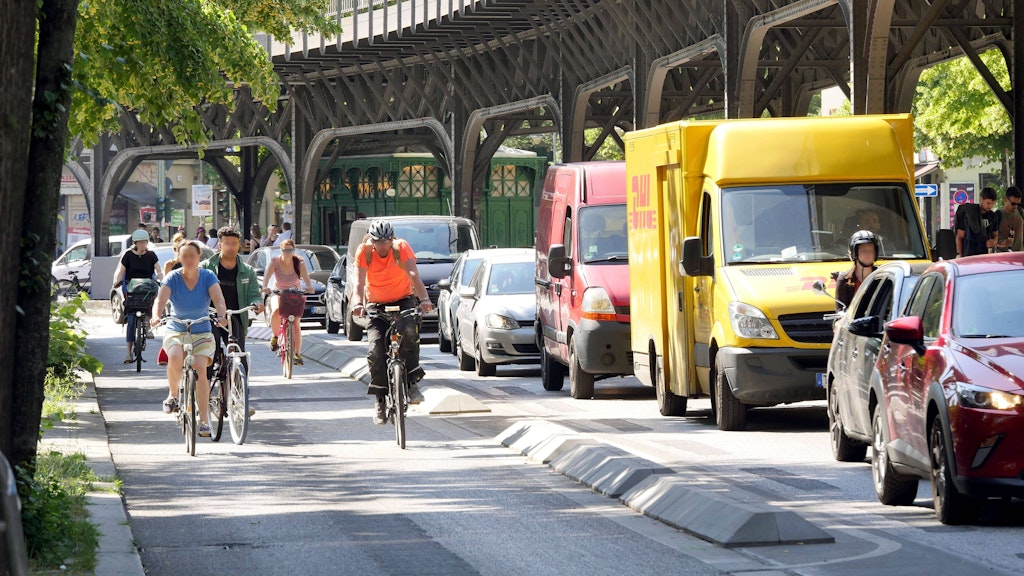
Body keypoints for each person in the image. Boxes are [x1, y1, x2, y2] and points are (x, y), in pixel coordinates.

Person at [351, 220, 434, 425]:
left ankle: (412, 383)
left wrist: (424, 300)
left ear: (392, 239)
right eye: (378, 241)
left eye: (386, 241)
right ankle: (380, 400)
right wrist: (357, 303)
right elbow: (359, 282)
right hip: (376, 303)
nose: (382, 245)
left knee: (409, 333)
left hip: (403, 299)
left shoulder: (401, 247)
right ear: (371, 240)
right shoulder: (364, 252)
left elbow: (413, 274)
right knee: (376, 349)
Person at [150, 241, 228, 437]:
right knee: (175, 356)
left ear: (199, 256)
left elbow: (218, 299)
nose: (188, 260)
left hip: (201, 330)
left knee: (201, 368)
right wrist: (156, 315)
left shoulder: (208, 276)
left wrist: (221, 315)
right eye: (184, 256)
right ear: (179, 257)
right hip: (176, 328)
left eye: (192, 256)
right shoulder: (173, 277)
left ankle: (203, 421)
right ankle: (173, 395)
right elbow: (160, 300)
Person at [200, 227, 264, 387]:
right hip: (211, 317)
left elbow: (254, 293)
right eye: (227, 243)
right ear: (219, 245)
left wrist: (257, 302)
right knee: (210, 350)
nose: (231, 247)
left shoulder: (247, 271)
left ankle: (240, 394)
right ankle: (204, 389)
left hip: (235, 317)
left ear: (239, 245)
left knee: (239, 354)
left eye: (234, 243)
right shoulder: (206, 267)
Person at [261, 239, 314, 364]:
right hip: (278, 291)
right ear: (281, 250)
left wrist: (309, 286)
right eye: (285, 250)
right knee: (276, 311)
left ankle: (297, 354)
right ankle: (275, 336)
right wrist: (265, 286)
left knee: (295, 322)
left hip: (294, 293)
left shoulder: (299, 261)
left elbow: (305, 276)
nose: (287, 252)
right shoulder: (275, 261)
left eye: (290, 250)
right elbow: (267, 276)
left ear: (293, 250)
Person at [113, 229, 162, 363]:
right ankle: (128, 353)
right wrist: (116, 282)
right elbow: (121, 271)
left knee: (152, 299)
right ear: (135, 243)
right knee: (131, 318)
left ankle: (148, 323)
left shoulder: (151, 255)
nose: (142, 244)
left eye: (144, 242)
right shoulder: (128, 255)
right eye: (140, 242)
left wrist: (161, 280)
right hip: (131, 287)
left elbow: (159, 271)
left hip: (147, 288)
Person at [835, 231, 878, 312]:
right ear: (854, 253)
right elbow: (839, 312)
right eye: (864, 250)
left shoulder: (883, 275)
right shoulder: (844, 279)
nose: (868, 254)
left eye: (871, 250)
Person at [955, 187, 1000, 257]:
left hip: (986, 254)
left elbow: (996, 235)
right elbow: (960, 236)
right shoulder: (969, 214)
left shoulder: (993, 216)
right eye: (988, 203)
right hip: (969, 253)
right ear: (981, 199)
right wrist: (959, 255)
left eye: (992, 204)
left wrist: (993, 241)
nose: (990, 206)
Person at [996, 187, 1023, 252]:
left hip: (1019, 255)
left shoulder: (1021, 212)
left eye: (1018, 204)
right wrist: (1000, 244)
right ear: (1005, 200)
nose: (1015, 206)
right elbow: (990, 240)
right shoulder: (998, 215)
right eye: (1013, 203)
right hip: (1002, 256)